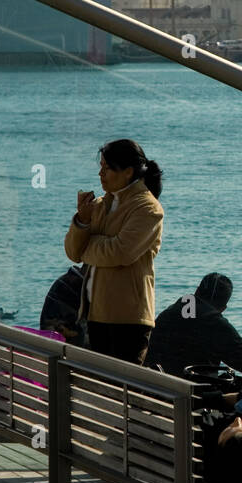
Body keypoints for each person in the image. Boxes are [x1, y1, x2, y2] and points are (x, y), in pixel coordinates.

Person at [64, 139, 164, 364]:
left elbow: (120, 253)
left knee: (121, 391)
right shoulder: (99, 205)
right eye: (100, 167)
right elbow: (72, 252)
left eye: (107, 168)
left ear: (128, 172)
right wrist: (82, 219)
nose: (100, 174)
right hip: (93, 314)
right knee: (98, 389)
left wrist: (87, 245)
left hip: (128, 319)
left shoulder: (148, 208)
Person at [146, 272, 242, 415]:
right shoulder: (211, 322)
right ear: (223, 308)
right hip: (192, 403)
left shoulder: (171, 312)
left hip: (156, 395)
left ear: (197, 291)